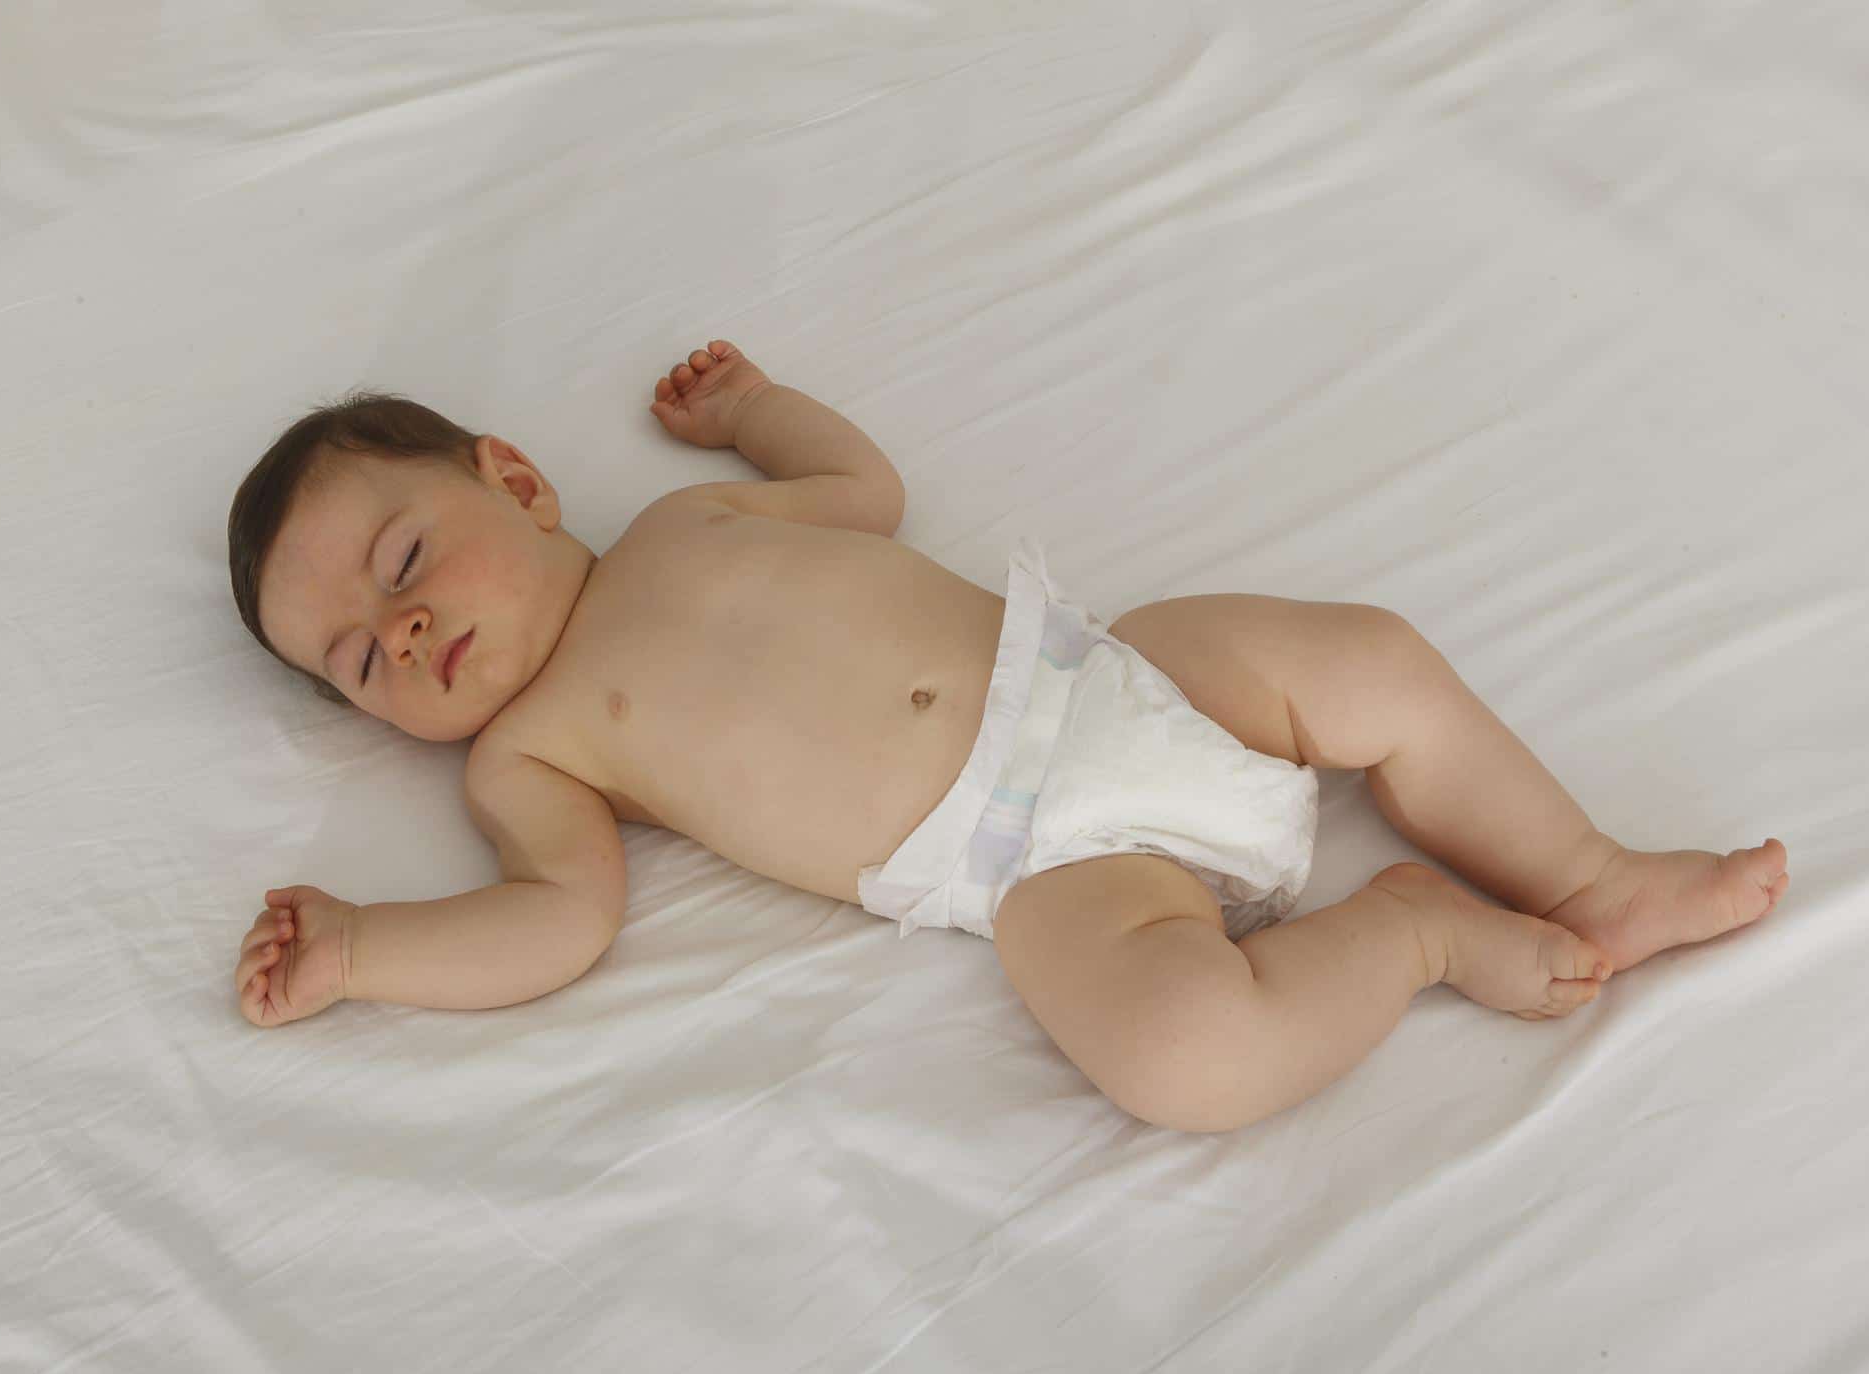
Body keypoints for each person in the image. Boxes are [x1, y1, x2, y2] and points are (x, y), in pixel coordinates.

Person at [225, 340, 1789, 1133]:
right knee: (1186, 1058)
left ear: (514, 477)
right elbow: (555, 918)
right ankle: (1417, 936)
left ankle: (1592, 869)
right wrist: (370, 947)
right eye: (360, 661)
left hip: (1113, 673)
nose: (407, 638)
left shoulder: (684, 517)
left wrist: (758, 405)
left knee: (1372, 660)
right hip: (1038, 868)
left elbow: (867, 493)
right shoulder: (532, 755)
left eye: (405, 567)